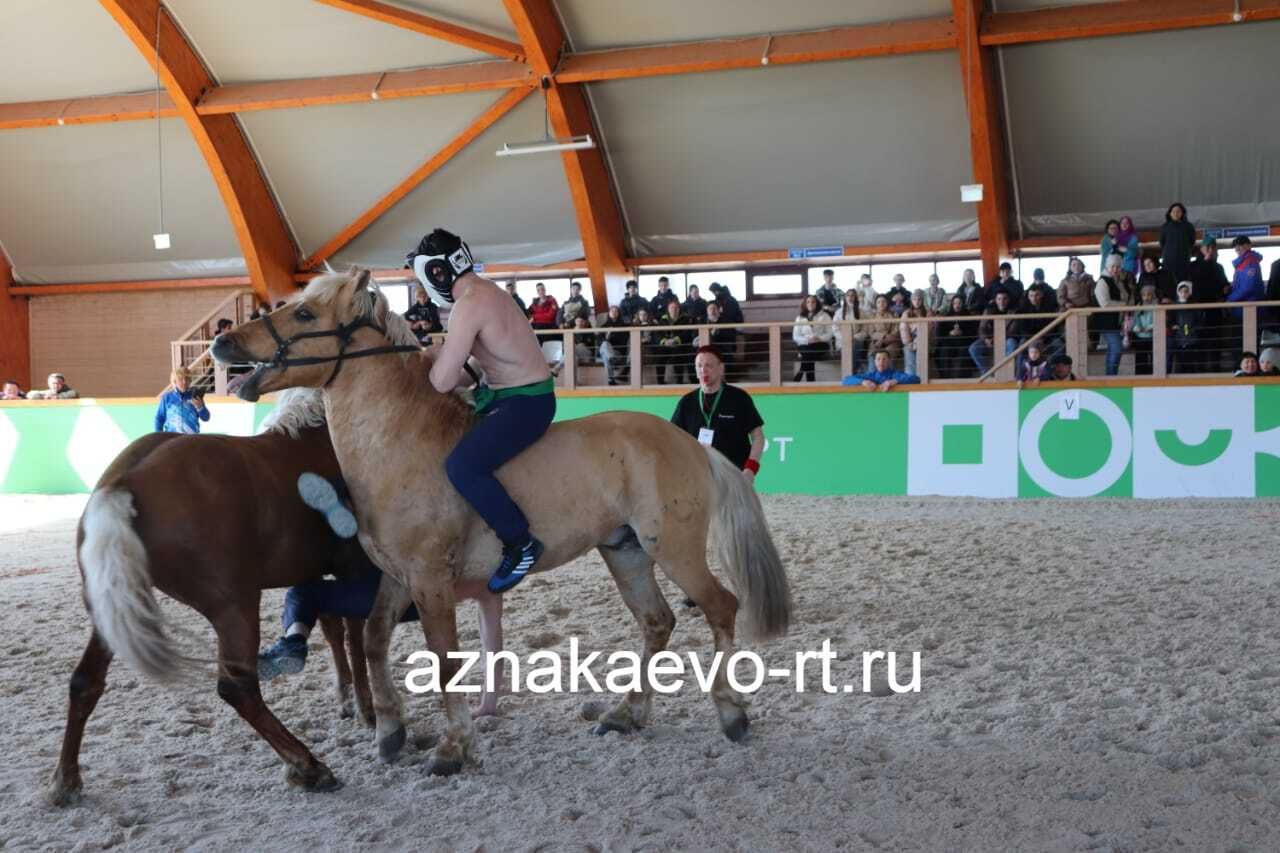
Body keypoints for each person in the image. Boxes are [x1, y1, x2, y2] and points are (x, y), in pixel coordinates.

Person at [410, 228, 554, 594]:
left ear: (436, 273)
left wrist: (422, 361)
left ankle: (520, 543)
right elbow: (480, 360)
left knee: (462, 465)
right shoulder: (488, 291)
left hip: (525, 403)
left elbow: (441, 381)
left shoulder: (468, 304)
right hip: (515, 394)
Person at [670, 346, 764, 482]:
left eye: (709, 365)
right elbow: (674, 439)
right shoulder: (686, 402)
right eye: (699, 366)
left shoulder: (739, 398)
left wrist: (750, 469)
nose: (703, 370)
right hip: (699, 477)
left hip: (734, 477)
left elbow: (758, 437)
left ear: (721, 369)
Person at [1094, 254, 1133, 376]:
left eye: (1118, 266)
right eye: (1113, 266)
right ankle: (1111, 377)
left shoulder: (1120, 281)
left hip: (1117, 321)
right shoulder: (1102, 281)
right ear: (1107, 267)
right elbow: (1104, 304)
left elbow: (1127, 296)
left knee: (1113, 350)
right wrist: (1124, 305)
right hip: (1106, 322)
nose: (1115, 269)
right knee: (1116, 349)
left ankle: (1110, 377)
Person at [969, 291, 1014, 374]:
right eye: (999, 299)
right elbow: (981, 328)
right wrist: (986, 339)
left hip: (1005, 339)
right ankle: (987, 373)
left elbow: (1012, 331)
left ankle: (1007, 372)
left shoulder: (1013, 311)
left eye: (1004, 299)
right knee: (973, 348)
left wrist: (996, 339)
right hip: (989, 340)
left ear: (1008, 300)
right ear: (995, 300)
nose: (1002, 302)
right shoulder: (988, 311)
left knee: (1012, 343)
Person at [154, 366, 210, 434]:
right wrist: (159, 436)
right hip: (172, 438)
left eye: (187, 378)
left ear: (190, 380)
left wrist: (200, 408)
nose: (184, 382)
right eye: (180, 379)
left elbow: (206, 418)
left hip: (192, 439)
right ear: (175, 381)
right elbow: (159, 418)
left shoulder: (195, 397)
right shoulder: (167, 398)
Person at [791, 294, 833, 382]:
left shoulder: (825, 316)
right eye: (808, 302)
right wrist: (807, 340)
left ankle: (800, 373)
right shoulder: (799, 318)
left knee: (807, 355)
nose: (810, 304)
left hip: (820, 344)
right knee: (808, 355)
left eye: (813, 302)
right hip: (804, 345)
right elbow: (795, 336)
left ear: (817, 303)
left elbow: (830, 333)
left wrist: (819, 338)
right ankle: (811, 381)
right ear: (805, 304)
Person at [656, 298, 695, 384]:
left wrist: (676, 340)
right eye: (671, 308)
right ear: (668, 309)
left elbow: (687, 333)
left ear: (679, 309)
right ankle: (660, 382)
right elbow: (658, 333)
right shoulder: (663, 319)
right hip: (666, 345)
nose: (673, 310)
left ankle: (679, 381)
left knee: (678, 355)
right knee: (659, 357)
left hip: (680, 345)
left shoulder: (685, 319)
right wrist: (664, 341)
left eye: (675, 308)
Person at [841, 349, 920, 391]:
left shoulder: (895, 374)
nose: (881, 362)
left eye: (884, 359)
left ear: (889, 361)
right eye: (878, 359)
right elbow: (846, 380)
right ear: (874, 361)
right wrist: (862, 382)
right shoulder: (870, 376)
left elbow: (916, 379)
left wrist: (894, 381)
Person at [1227, 236, 1265, 322]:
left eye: (1240, 245)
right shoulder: (1243, 262)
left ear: (1249, 246)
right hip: (1242, 308)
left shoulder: (1250, 261)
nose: (1237, 248)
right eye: (1236, 245)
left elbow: (1248, 287)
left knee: (1244, 334)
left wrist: (1230, 299)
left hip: (1248, 308)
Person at [938, 294, 974, 379]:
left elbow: (973, 332)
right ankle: (945, 378)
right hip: (950, 342)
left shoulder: (968, 315)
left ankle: (961, 379)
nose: (957, 305)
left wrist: (962, 332)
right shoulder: (947, 316)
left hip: (963, 342)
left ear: (963, 304)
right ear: (952, 304)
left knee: (964, 351)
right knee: (944, 350)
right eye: (955, 303)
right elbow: (941, 333)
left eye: (959, 303)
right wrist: (950, 333)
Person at [1170, 281, 1202, 374]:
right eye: (1181, 291)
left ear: (1189, 293)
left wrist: (1194, 329)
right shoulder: (1173, 306)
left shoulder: (1194, 306)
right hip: (1178, 338)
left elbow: (1199, 320)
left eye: (1186, 291)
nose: (1183, 294)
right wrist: (1173, 327)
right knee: (1180, 362)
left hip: (1192, 338)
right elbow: (1171, 320)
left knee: (1191, 362)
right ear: (1178, 292)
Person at [1159, 202, 1196, 284]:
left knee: (1183, 283)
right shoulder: (1165, 227)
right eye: (1173, 211)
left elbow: (1192, 242)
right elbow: (1162, 243)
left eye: (1178, 211)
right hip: (1169, 260)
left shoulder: (1188, 226)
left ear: (1182, 213)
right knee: (1168, 282)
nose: (1176, 213)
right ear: (1170, 213)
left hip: (1183, 260)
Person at [831, 288, 865, 374]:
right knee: (849, 347)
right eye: (848, 295)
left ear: (856, 298)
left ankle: (851, 372)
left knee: (855, 345)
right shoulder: (839, 312)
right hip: (843, 340)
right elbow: (835, 328)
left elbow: (865, 328)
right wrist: (845, 337)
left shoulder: (861, 312)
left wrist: (855, 336)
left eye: (853, 295)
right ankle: (855, 370)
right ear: (845, 297)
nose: (850, 297)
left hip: (857, 339)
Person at [865, 294, 902, 370]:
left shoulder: (894, 315)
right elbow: (871, 332)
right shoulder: (872, 316)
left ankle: (889, 377)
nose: (881, 304)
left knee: (888, 354)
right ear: (876, 304)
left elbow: (896, 331)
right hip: (876, 342)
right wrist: (883, 337)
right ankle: (872, 376)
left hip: (892, 342)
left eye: (883, 301)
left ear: (887, 303)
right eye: (878, 302)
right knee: (872, 354)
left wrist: (884, 340)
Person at [1129, 283, 1159, 375]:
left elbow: (1158, 319)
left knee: (1154, 359)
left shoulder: (1156, 306)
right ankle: (1140, 377)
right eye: (1144, 295)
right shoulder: (1139, 306)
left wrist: (1151, 327)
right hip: (1140, 337)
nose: (1146, 297)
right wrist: (1136, 327)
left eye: (1149, 294)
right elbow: (1135, 319)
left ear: (1153, 295)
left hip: (1152, 336)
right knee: (1140, 359)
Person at [898, 290, 929, 376]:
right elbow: (903, 329)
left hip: (924, 342)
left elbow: (930, 330)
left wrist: (917, 343)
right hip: (910, 342)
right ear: (911, 301)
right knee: (909, 352)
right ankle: (910, 380)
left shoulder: (928, 313)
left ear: (922, 300)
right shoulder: (906, 313)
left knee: (921, 351)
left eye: (919, 299)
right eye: (914, 299)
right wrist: (910, 343)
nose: (917, 301)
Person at [598, 305, 629, 385]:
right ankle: (611, 358)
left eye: (616, 311)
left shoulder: (624, 327)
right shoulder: (603, 327)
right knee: (605, 344)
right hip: (606, 350)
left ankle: (611, 380)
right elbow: (599, 343)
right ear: (609, 313)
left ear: (619, 313)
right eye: (612, 311)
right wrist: (607, 337)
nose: (614, 313)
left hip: (617, 352)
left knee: (606, 357)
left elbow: (624, 342)